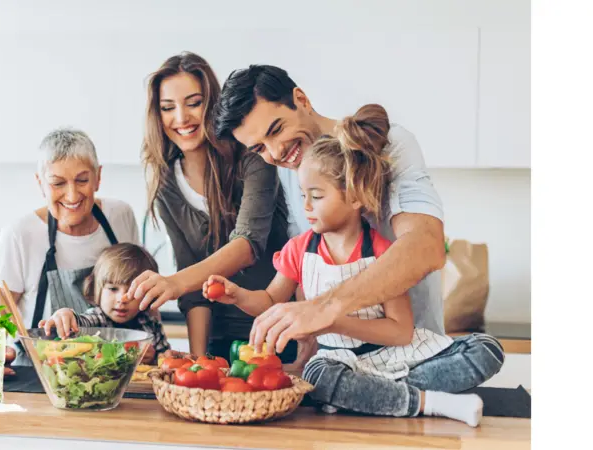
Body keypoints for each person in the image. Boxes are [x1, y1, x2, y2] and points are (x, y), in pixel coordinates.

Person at [204, 107, 503, 426]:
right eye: (303, 194)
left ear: (356, 197)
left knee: (487, 349)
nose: (305, 206)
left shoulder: (383, 255)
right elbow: (269, 301)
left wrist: (331, 320)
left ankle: (369, 396)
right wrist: (237, 295)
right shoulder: (299, 250)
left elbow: (401, 332)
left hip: (394, 357)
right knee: (319, 375)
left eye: (316, 196)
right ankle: (427, 402)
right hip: (340, 363)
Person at [214, 64, 456, 353]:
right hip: (340, 358)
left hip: (415, 352)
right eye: (259, 149)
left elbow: (426, 245)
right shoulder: (293, 170)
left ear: (301, 100)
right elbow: (307, 271)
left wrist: (325, 309)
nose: (276, 152)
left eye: (277, 129)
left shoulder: (391, 146)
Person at [128, 52, 296, 361]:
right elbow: (192, 291)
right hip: (219, 340)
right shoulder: (166, 184)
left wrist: (173, 283)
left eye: (193, 103)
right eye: (168, 108)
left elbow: (247, 245)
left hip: (279, 332)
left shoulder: (253, 158)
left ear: (213, 105)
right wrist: (199, 360)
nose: (181, 118)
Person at [0, 127, 141, 365]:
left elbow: (141, 289)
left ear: (98, 177)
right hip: (40, 373)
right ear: (40, 183)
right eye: (58, 183)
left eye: (82, 180)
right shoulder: (20, 234)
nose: (71, 196)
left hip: (111, 370)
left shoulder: (120, 216)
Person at [39, 243, 172, 364]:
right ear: (97, 290)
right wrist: (66, 315)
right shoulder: (97, 318)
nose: (122, 299)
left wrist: (155, 357)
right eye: (113, 289)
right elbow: (80, 322)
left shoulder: (151, 324)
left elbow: (167, 360)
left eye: (133, 292)